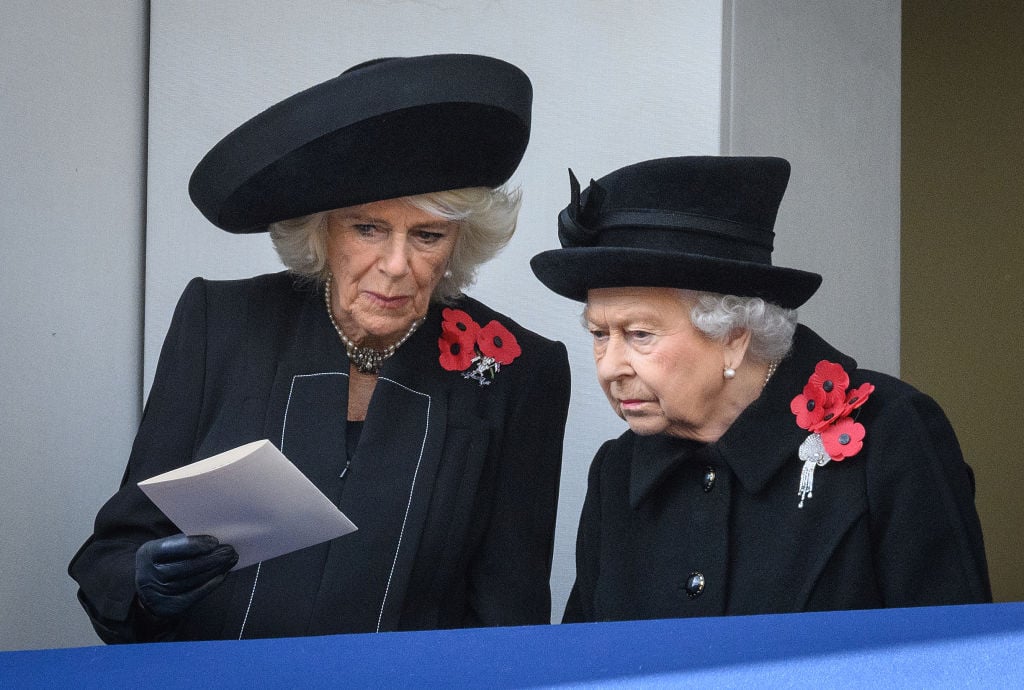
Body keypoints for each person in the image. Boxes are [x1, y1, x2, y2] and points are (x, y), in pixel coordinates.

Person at [69, 54, 570, 642]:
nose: (396, 265)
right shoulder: (222, 323)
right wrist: (142, 583)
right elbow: (116, 550)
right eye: (368, 228)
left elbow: (510, 610)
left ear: (460, 242)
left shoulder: (516, 368)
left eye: (427, 236)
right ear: (321, 230)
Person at [530, 156, 991, 622]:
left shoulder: (891, 436)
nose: (610, 367)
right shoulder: (618, 469)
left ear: (733, 336)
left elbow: (956, 657)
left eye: (639, 335)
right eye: (599, 334)